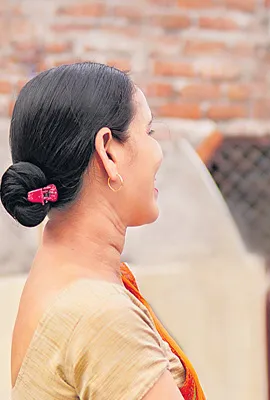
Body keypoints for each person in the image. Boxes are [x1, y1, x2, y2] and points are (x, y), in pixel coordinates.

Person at [2, 62, 205, 400]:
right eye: (149, 132)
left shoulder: (57, 270)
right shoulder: (101, 316)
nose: (158, 153)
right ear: (108, 151)